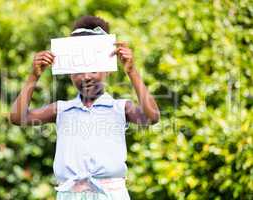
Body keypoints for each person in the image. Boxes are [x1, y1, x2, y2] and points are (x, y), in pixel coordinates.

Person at [10, 15, 160, 200]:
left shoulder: (120, 108)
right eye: (79, 71)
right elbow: (18, 118)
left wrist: (131, 71)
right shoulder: (62, 110)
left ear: (106, 70)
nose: (86, 76)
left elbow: (152, 116)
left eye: (93, 69)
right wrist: (34, 76)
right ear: (70, 74)